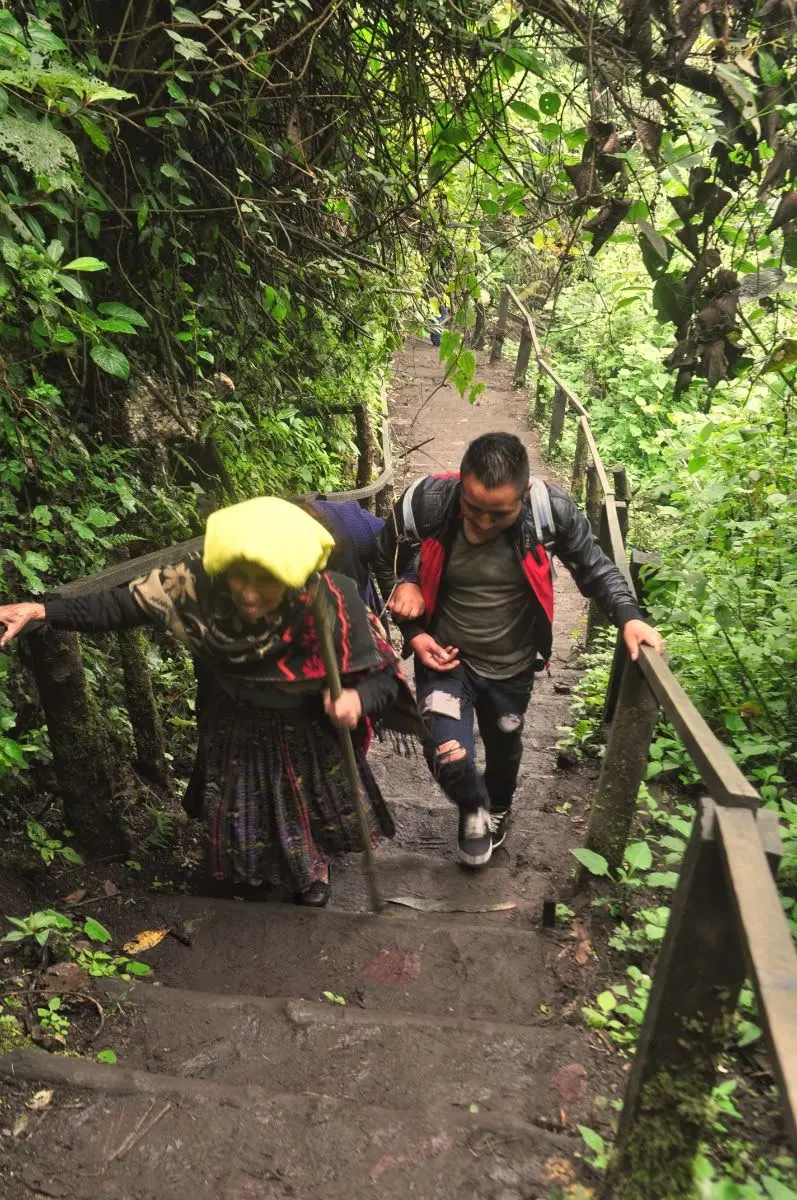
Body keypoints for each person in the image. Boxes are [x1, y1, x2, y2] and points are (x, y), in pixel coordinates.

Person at [0, 497, 411, 906]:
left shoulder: (331, 601)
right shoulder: (197, 583)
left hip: (306, 729)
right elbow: (122, 604)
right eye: (239, 577)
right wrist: (42, 611)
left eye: (264, 580)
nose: (249, 595)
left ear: (291, 577)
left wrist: (357, 698)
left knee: (304, 805)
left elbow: (384, 676)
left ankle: (312, 870)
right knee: (245, 808)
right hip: (237, 719)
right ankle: (254, 870)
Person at [373, 432, 664, 868]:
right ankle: (473, 808)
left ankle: (499, 807)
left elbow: (596, 567)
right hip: (445, 659)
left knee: (503, 742)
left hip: (512, 668)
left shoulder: (551, 512)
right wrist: (411, 619)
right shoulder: (427, 502)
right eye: (473, 509)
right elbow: (383, 556)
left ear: (524, 495)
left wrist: (630, 616)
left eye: (499, 514)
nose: (483, 523)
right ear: (461, 484)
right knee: (448, 755)